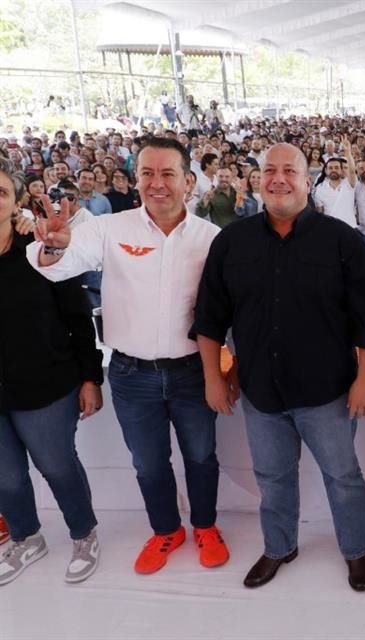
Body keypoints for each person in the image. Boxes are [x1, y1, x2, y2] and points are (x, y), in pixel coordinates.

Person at [28, 138, 229, 576]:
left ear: (188, 181)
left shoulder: (211, 238)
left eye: (167, 174)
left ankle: (206, 526)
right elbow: (57, 263)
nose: (156, 184)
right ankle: (166, 531)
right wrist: (57, 245)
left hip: (193, 371)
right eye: (147, 174)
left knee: (201, 456)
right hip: (130, 374)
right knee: (149, 462)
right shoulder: (110, 228)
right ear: (136, 178)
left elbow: (229, 307)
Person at [193, 143, 365, 591]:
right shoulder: (232, 243)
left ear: (307, 180)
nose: (278, 179)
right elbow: (209, 318)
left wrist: (364, 378)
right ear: (257, 179)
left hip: (329, 393)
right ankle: (280, 546)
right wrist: (213, 379)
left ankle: (355, 551)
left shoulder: (341, 240)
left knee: (344, 477)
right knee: (272, 477)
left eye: (290, 171)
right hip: (261, 392)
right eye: (269, 171)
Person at [0, 160, 104, 586]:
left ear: (14, 203)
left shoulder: (39, 247)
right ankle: (27, 537)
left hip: (45, 383)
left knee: (57, 465)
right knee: (4, 475)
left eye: (0, 193)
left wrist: (90, 377)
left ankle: (83, 534)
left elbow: (78, 316)